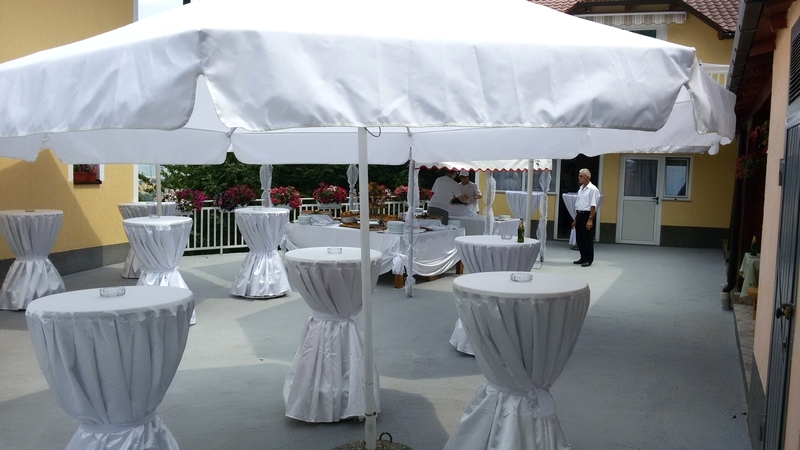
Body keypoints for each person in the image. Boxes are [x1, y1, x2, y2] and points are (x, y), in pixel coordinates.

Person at [572, 168, 600, 267]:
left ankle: (588, 259)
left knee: (587, 238)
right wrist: (575, 219)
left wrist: (590, 219)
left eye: (581, 176)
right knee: (579, 238)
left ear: (587, 177)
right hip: (579, 214)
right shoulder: (581, 189)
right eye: (579, 175)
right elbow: (578, 204)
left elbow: (593, 205)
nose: (579, 178)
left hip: (587, 215)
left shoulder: (592, 189)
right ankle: (583, 257)